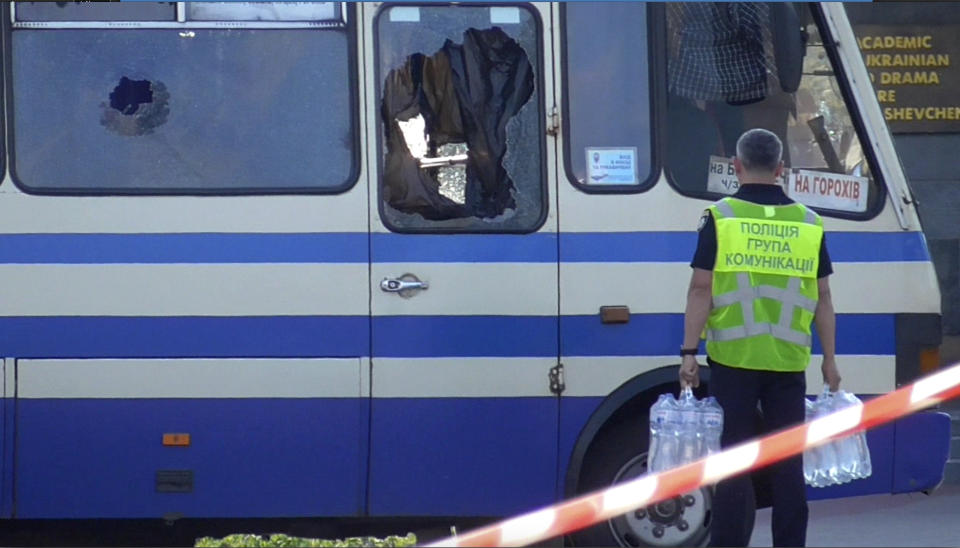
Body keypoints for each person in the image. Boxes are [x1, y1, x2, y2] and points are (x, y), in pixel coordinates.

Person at [678, 128, 842, 547]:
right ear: (781, 169)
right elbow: (823, 297)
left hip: (733, 359)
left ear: (736, 167)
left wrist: (688, 352)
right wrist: (830, 360)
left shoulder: (721, 217)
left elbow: (701, 288)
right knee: (787, 465)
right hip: (788, 362)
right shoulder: (809, 222)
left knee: (734, 465)